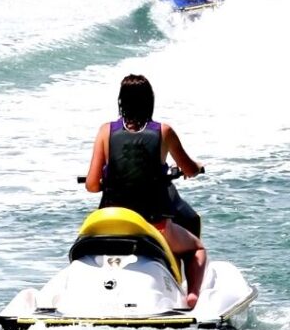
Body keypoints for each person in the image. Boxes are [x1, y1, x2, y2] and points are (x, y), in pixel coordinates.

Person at [84, 75, 208, 307]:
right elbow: (189, 169)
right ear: (150, 101)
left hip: (111, 223)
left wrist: (111, 181)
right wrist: (197, 168)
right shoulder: (164, 131)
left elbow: (91, 185)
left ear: (121, 101)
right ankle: (191, 296)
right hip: (154, 225)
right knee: (197, 249)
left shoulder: (105, 132)